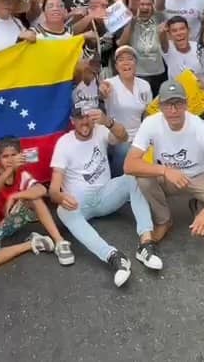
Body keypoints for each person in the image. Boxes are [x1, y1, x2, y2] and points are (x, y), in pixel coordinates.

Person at [49, 104, 162, 287]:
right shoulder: (64, 143)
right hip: (80, 204)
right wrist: (61, 197)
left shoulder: (100, 130)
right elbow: (53, 190)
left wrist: (107, 121)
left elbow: (123, 137)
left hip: (106, 195)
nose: (84, 122)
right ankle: (114, 257)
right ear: (72, 121)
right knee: (62, 211)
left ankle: (146, 244)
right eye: (79, 118)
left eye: (87, 117)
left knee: (134, 178)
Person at [124, 80, 204, 242]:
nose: (173, 110)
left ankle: (199, 206)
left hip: (199, 175)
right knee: (143, 178)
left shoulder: (201, 129)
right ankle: (164, 220)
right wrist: (165, 171)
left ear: (186, 105)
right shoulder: (150, 123)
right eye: (168, 105)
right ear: (160, 106)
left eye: (178, 104)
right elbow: (129, 165)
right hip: (168, 176)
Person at [0, 137, 74, 270]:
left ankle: (59, 241)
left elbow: (41, 189)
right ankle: (31, 244)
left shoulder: (22, 173)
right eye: (5, 156)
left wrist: (16, 195)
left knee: (34, 197)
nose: (10, 160)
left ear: (20, 156)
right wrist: (9, 171)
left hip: (12, 220)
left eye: (14, 155)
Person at [99, 46, 153, 177]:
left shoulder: (144, 85)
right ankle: (118, 182)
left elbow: (147, 113)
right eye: (121, 60)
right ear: (116, 66)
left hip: (138, 135)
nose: (126, 62)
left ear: (136, 64)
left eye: (130, 59)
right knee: (124, 150)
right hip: (116, 136)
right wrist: (102, 91)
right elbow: (102, 93)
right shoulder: (109, 83)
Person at [117, 0, 166, 96]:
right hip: (137, 74)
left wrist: (163, 35)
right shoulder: (128, 19)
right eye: (142, 4)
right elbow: (121, 44)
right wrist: (133, 20)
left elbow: (166, 48)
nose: (145, 7)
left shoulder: (159, 17)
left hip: (158, 73)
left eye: (148, 4)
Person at [160, 16, 204, 91]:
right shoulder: (168, 48)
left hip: (198, 93)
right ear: (169, 34)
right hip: (177, 95)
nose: (179, 33)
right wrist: (161, 32)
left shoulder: (200, 48)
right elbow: (162, 41)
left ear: (188, 30)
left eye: (182, 29)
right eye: (174, 31)